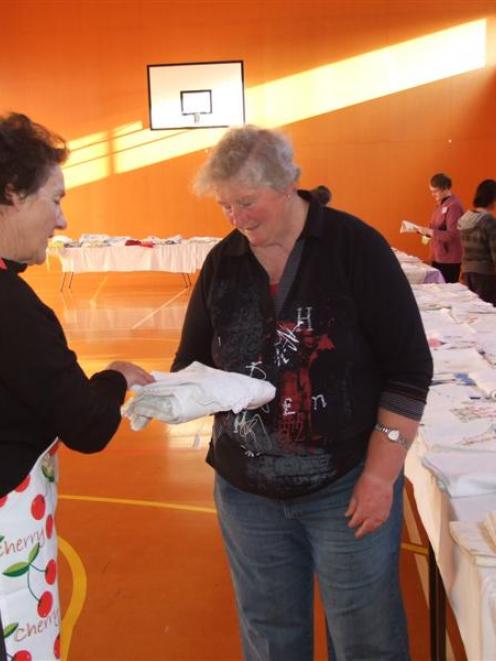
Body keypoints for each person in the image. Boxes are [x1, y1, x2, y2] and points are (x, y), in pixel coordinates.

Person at [172, 125, 432, 660]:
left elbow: (408, 370)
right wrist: (166, 389)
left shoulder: (354, 248)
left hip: (345, 486)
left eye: (247, 202)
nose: (237, 219)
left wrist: (381, 475)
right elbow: (192, 362)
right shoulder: (224, 262)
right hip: (247, 492)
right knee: (270, 635)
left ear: (288, 184)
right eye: (225, 206)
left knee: (366, 638)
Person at [0, 113, 154, 661]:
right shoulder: (12, 308)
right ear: (13, 195)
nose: (61, 220)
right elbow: (88, 424)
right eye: (54, 199)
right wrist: (113, 378)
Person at [416, 172, 464, 283]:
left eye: (435, 191)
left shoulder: (454, 206)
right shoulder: (439, 205)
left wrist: (430, 231)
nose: (432, 194)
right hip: (437, 256)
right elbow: (435, 229)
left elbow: (452, 235)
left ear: (445, 188)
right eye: (431, 191)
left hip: (449, 260)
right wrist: (422, 231)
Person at [458, 179, 496, 305]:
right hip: (486, 275)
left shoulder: (464, 218)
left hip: (467, 272)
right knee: (488, 314)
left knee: (473, 309)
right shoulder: (488, 220)